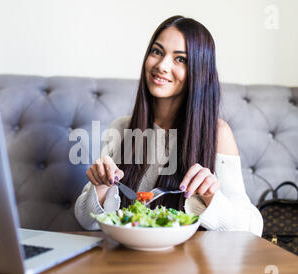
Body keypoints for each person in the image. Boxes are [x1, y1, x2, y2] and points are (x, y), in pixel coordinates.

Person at [74, 15, 263, 236]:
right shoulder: (121, 128)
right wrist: (101, 187)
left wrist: (211, 196)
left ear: (199, 72)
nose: (162, 65)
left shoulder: (218, 134)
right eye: (157, 52)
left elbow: (252, 228)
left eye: (180, 59)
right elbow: (85, 221)